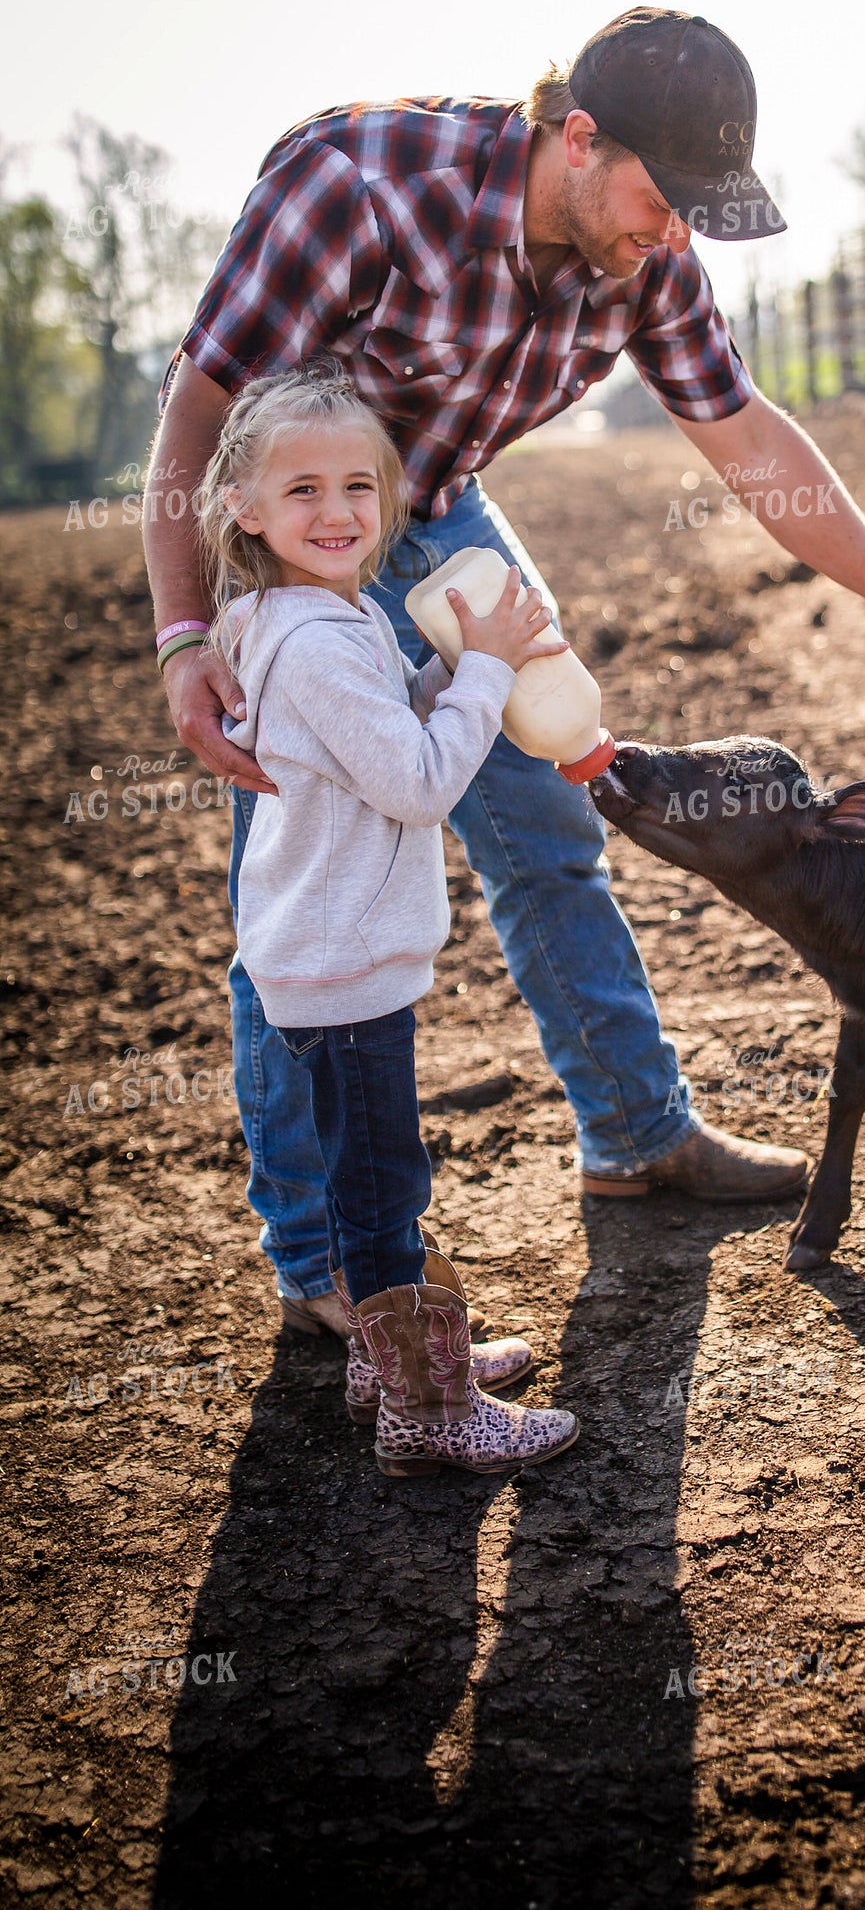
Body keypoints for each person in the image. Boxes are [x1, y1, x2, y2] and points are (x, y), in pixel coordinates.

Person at [145, 5, 865, 1337]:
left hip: (433, 509)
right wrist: (182, 638)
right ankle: (322, 1259)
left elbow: (743, 435)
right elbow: (202, 408)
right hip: (305, 538)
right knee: (300, 897)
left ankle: (636, 1133)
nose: (671, 232)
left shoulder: (646, 254)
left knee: (554, 817)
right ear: (575, 134)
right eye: (662, 197)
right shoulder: (362, 189)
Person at [201, 358, 579, 1475]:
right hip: (344, 961)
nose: (336, 511)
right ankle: (429, 1409)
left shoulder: (313, 615)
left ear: (392, 498)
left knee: (365, 1170)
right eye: (304, 489)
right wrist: (481, 682)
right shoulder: (318, 640)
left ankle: (387, 1358)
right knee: (380, 1187)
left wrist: (442, 677)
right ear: (246, 508)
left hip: (323, 953)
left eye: (358, 487)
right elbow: (417, 784)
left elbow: (371, 740)